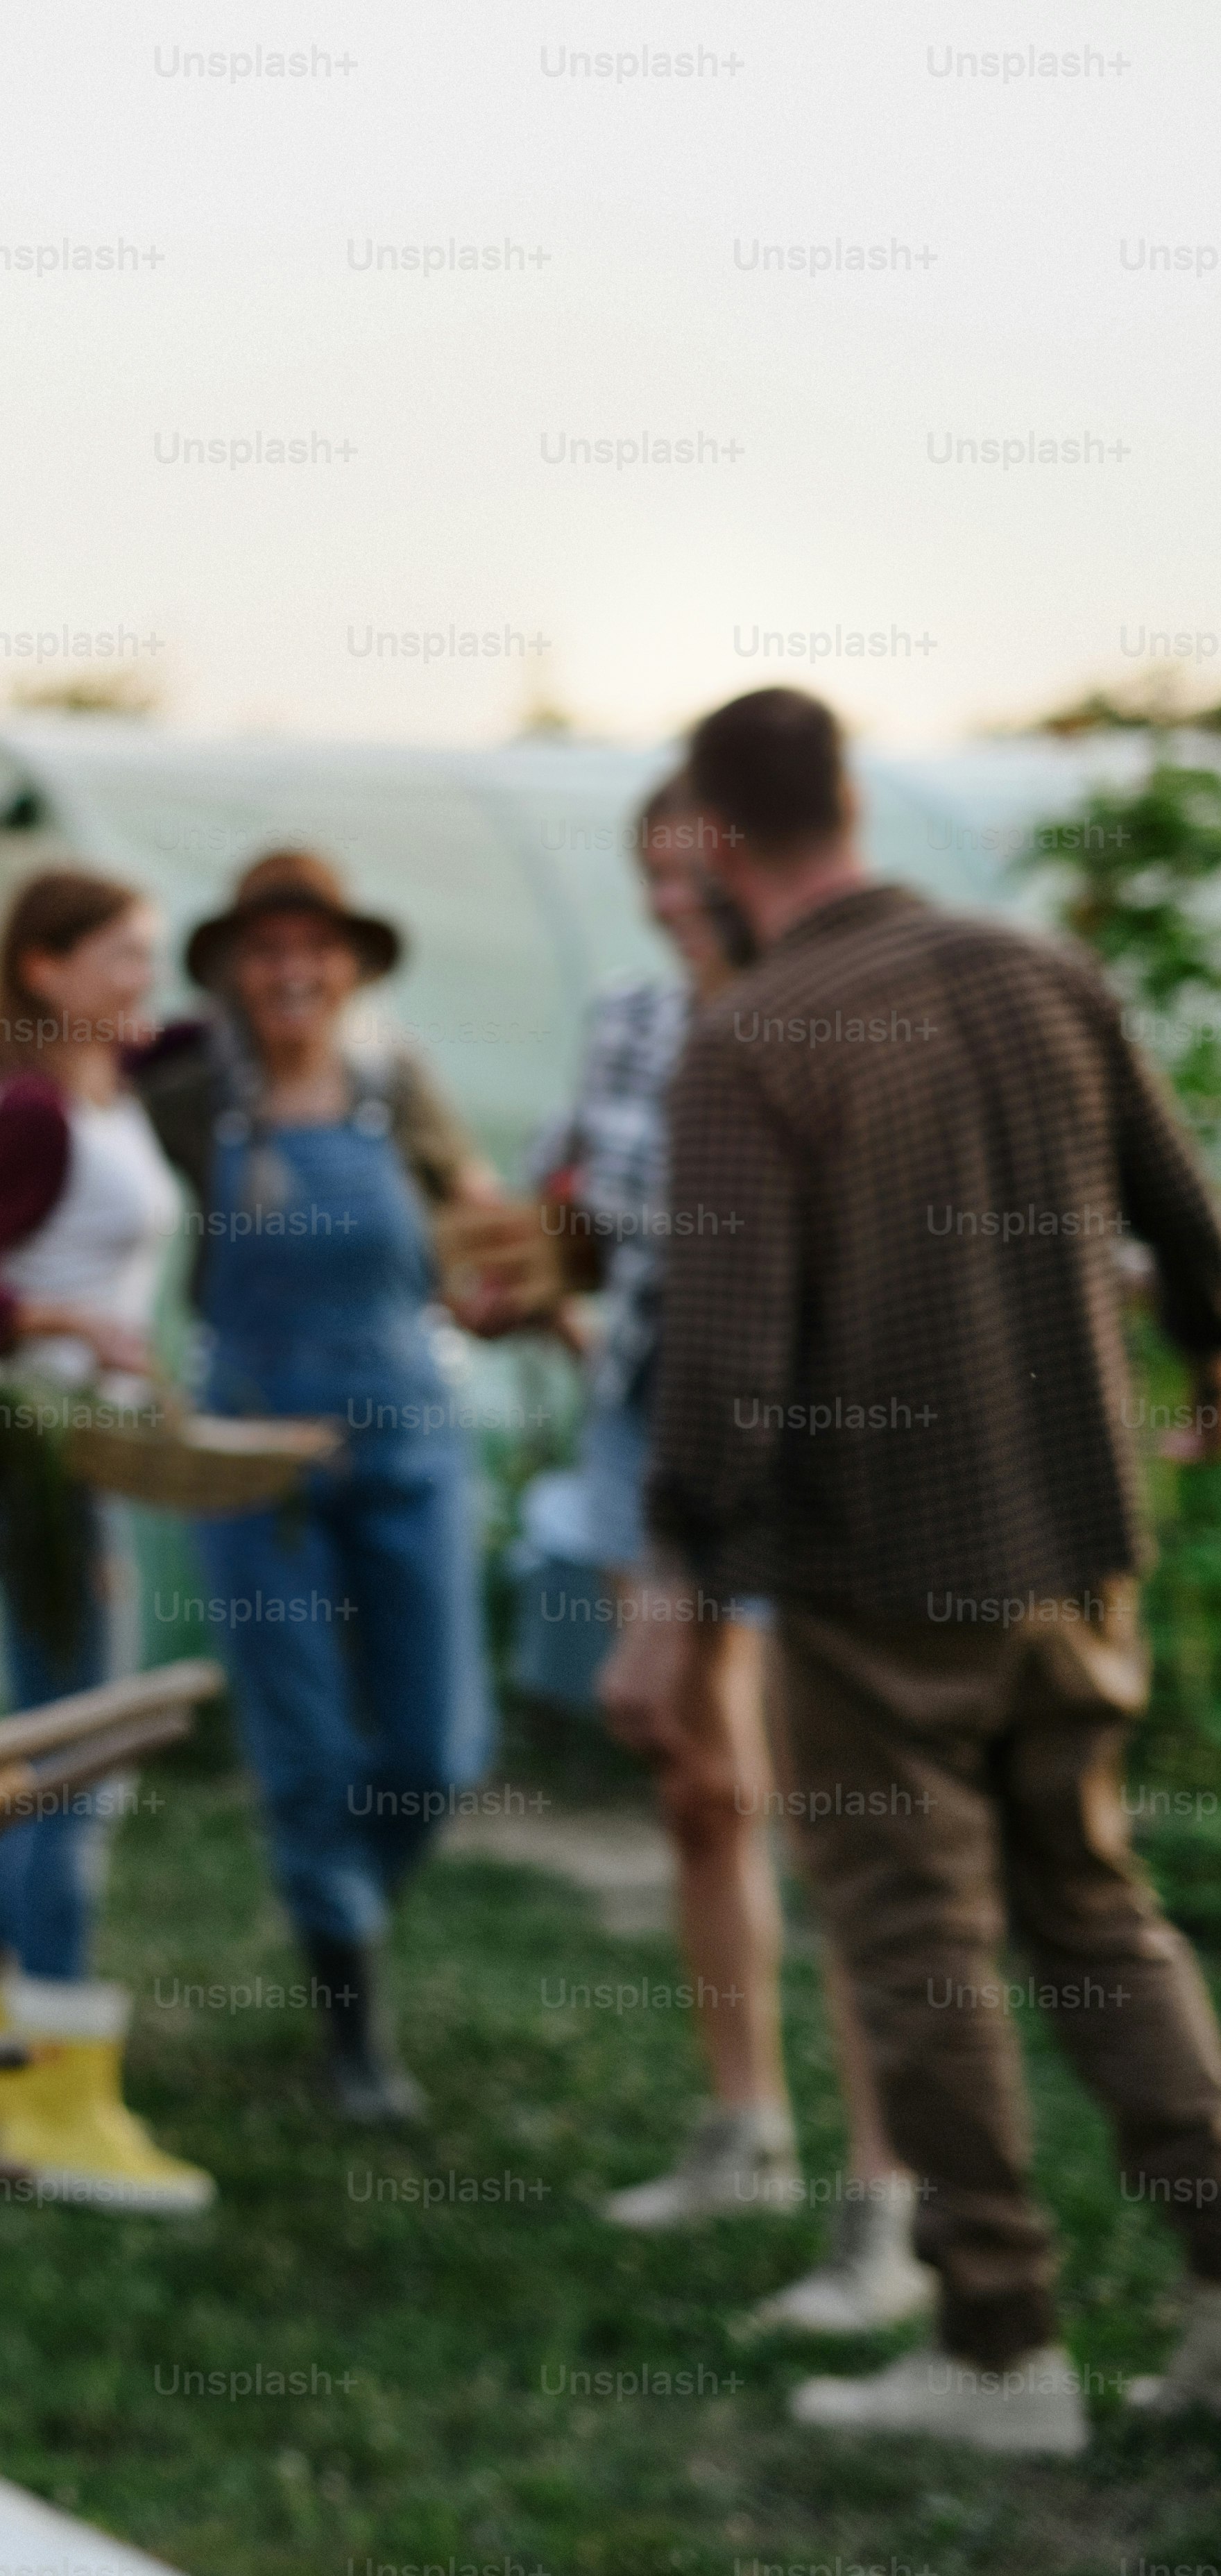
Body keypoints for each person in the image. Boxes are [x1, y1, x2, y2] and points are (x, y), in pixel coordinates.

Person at [629, 684, 1221, 2457]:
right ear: (854, 802)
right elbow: (1187, 1214)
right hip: (1074, 1535)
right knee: (1096, 1909)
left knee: (919, 1950)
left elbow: (725, 1362)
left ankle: (997, 2348)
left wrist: (672, 1583)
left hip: (882, 1568)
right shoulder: (1040, 969)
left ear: (721, 841)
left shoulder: (753, 1037)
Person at [536, 777, 929, 2333]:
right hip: (652, 1427)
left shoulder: (837, 1019)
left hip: (809, 1445)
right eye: (647, 868)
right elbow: (576, 1217)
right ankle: (742, 2129)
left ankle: (881, 2204)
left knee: (845, 1827)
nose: (668, 894)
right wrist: (529, 1271)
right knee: (703, 1793)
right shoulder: (631, 1022)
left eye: (691, 866)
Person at [133, 847, 504, 2124]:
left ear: (349, 964)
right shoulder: (184, 1093)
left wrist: (530, 1287)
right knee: (304, 1747)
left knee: (436, 1745)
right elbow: (46, 1096)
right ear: (234, 970)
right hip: (252, 1459)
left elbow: (479, 1221)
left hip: (409, 1439)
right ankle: (353, 2029)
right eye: (266, 948)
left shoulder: (399, 1085)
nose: (294, 969)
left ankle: (345, 1907)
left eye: (316, 947)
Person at [0, 865, 212, 2211]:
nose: (144, 982)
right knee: (78, 1763)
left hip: (80, 1449)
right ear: (44, 967)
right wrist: (72, 1324)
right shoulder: (36, 1110)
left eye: (149, 956)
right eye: (118, 957)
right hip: (43, 1459)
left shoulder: (100, 1079)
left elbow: (197, 1040)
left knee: (43, 1748)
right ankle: (59, 2099)